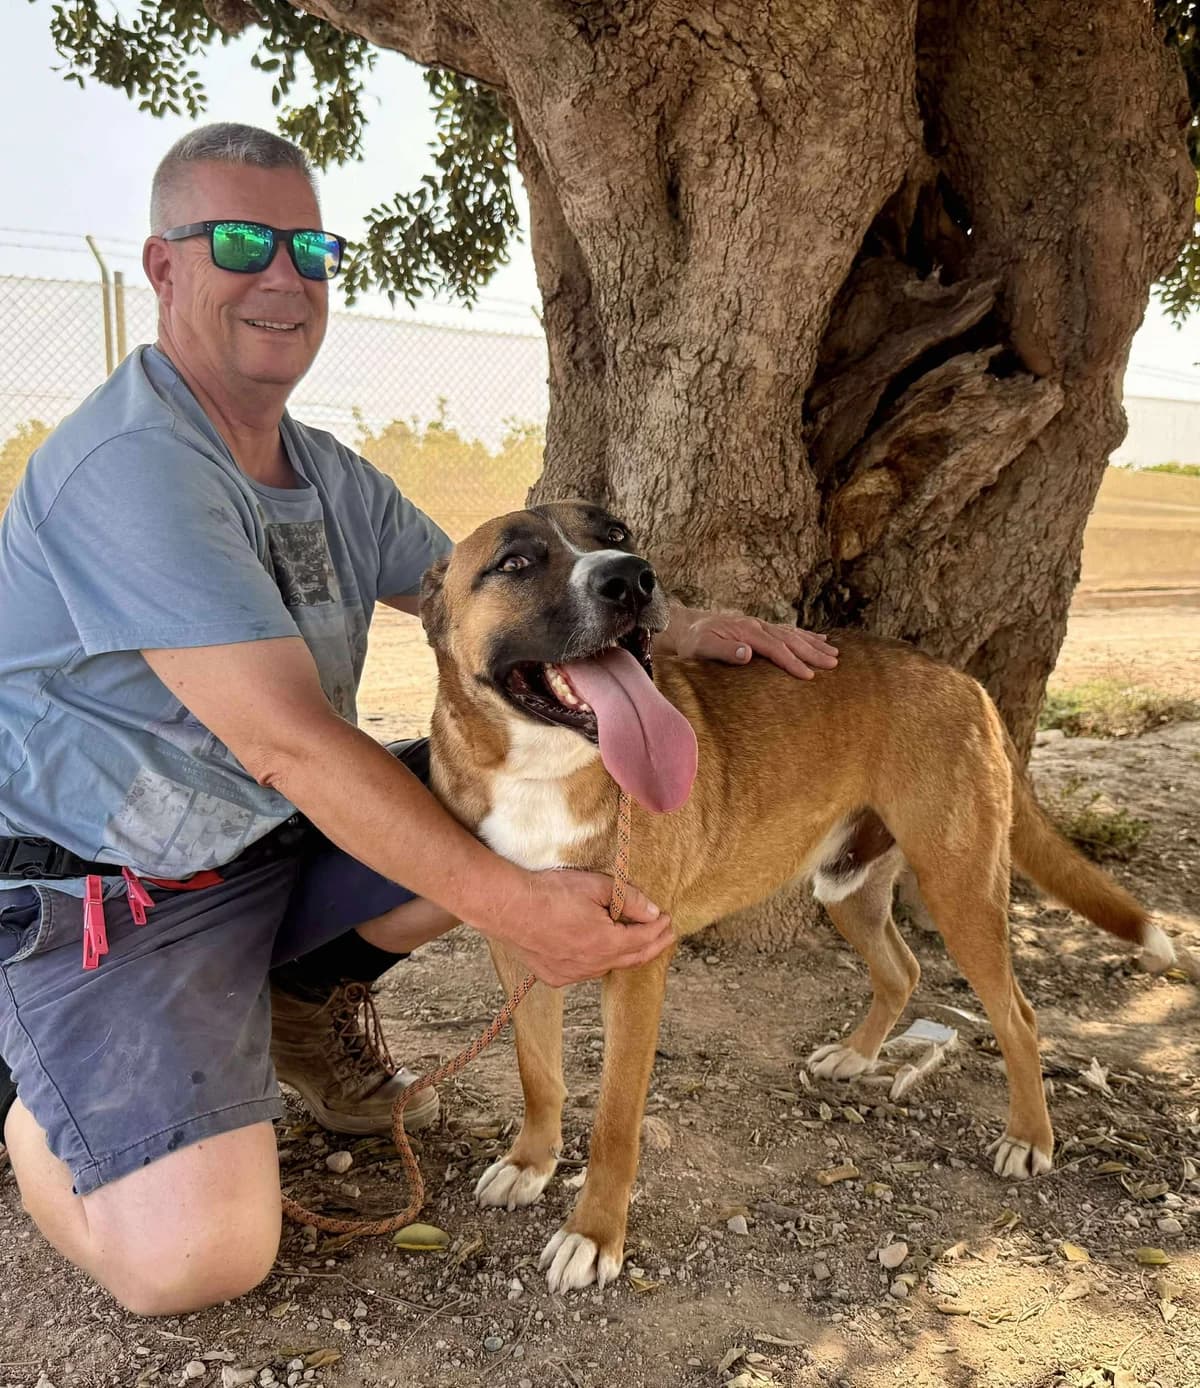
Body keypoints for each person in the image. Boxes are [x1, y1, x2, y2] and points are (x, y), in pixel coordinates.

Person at [0, 123, 838, 1315]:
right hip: (112, 895)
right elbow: (287, 739)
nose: (285, 273)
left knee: (504, 821)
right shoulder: (134, 467)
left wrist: (690, 626)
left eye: (313, 247)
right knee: (197, 1259)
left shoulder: (323, 473)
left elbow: (478, 591)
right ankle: (44, 1101)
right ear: (164, 265)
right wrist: (519, 911)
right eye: (242, 239)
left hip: (262, 843)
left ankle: (297, 999)